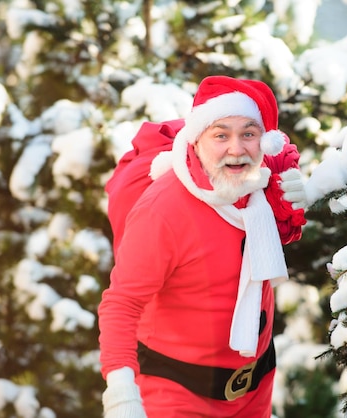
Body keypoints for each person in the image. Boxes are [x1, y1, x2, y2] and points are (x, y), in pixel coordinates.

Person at [98, 75, 308, 418]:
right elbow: (121, 304)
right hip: (177, 393)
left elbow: (259, 237)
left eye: (249, 134)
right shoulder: (163, 211)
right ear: (197, 140)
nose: (236, 149)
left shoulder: (259, 183)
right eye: (221, 135)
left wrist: (291, 199)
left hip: (255, 389)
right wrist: (122, 393)